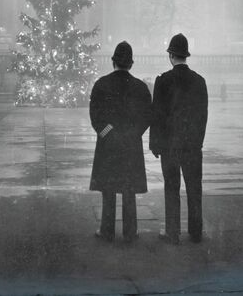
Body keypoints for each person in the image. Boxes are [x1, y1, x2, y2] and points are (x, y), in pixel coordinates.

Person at [89, 41, 152, 243]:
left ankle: (107, 231)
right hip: (131, 145)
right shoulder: (141, 88)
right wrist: (131, 135)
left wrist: (110, 134)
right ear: (131, 64)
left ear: (113, 61)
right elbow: (146, 118)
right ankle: (130, 232)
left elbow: (95, 116)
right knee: (129, 189)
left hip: (108, 145)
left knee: (108, 190)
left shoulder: (101, 84)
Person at [150, 33, 208, 244]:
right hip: (192, 145)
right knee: (194, 188)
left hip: (170, 145)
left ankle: (172, 231)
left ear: (171, 55)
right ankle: (196, 231)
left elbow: (157, 115)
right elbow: (203, 116)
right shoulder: (200, 81)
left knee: (171, 188)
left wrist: (155, 145)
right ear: (186, 55)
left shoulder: (163, 81)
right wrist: (198, 141)